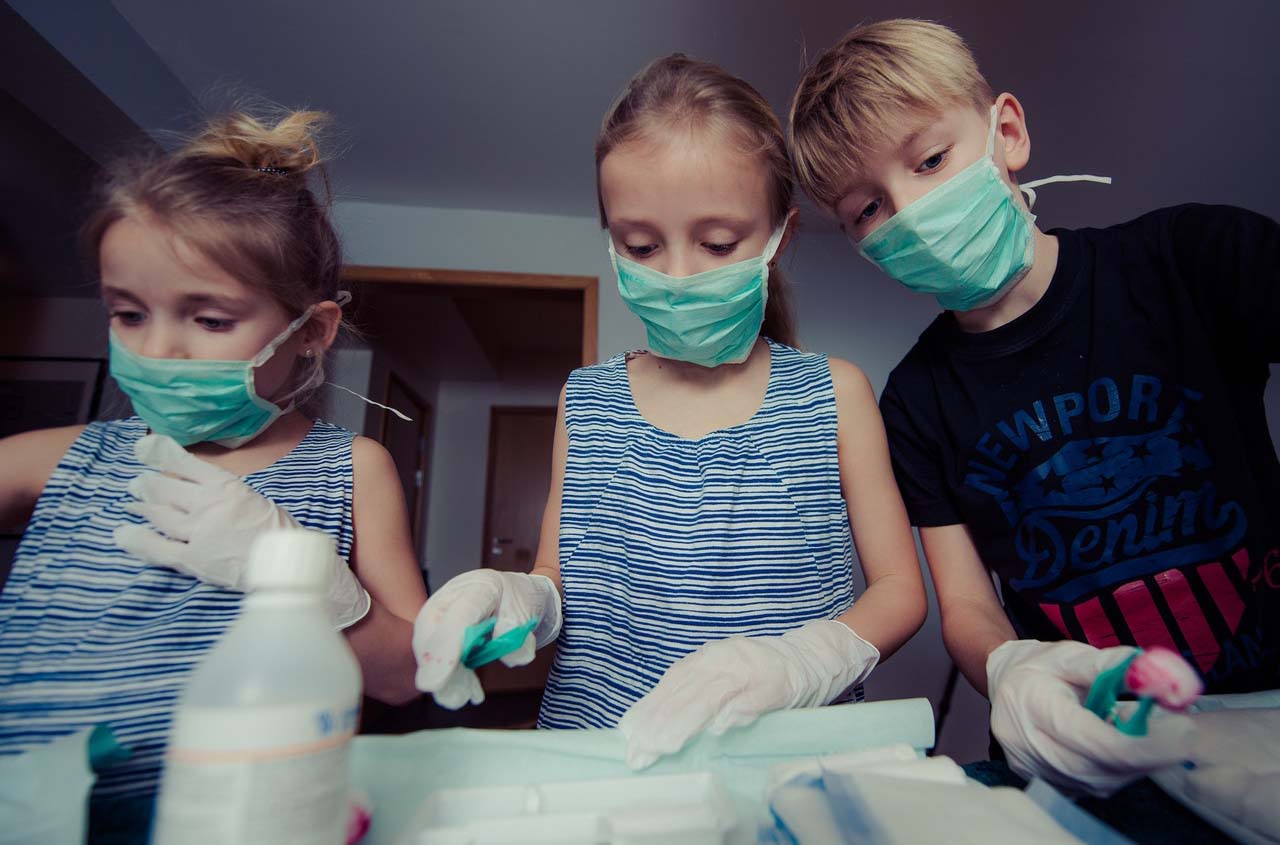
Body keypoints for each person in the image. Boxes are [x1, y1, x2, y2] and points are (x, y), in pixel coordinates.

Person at [789, 18, 1280, 796]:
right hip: (1081, 746)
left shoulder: (1193, 260)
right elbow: (967, 606)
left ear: (1007, 132)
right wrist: (1012, 667)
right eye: (868, 209)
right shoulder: (917, 402)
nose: (912, 209)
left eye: (931, 160)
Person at [414, 54, 927, 769]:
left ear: (779, 234)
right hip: (599, 760)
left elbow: (901, 590)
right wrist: (513, 597)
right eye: (641, 245)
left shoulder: (834, 394)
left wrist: (804, 660)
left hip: (785, 760)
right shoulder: (586, 400)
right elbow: (557, 578)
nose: (677, 275)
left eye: (718, 243)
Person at [0, 109, 426, 837]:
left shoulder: (351, 469)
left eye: (210, 320)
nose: (160, 348)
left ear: (312, 333)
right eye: (129, 314)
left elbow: (409, 675)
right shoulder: (59, 457)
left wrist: (322, 590)